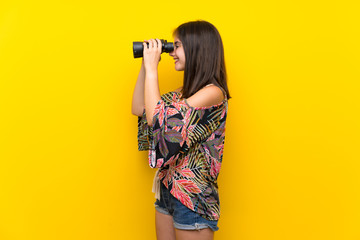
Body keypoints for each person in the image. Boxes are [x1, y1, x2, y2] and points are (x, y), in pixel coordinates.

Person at [132, 20, 231, 240]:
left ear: (197, 49)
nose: (171, 52)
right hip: (168, 190)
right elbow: (140, 108)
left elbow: (157, 119)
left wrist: (152, 71)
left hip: (192, 197)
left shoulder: (212, 93)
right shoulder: (184, 93)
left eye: (176, 46)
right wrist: (145, 66)